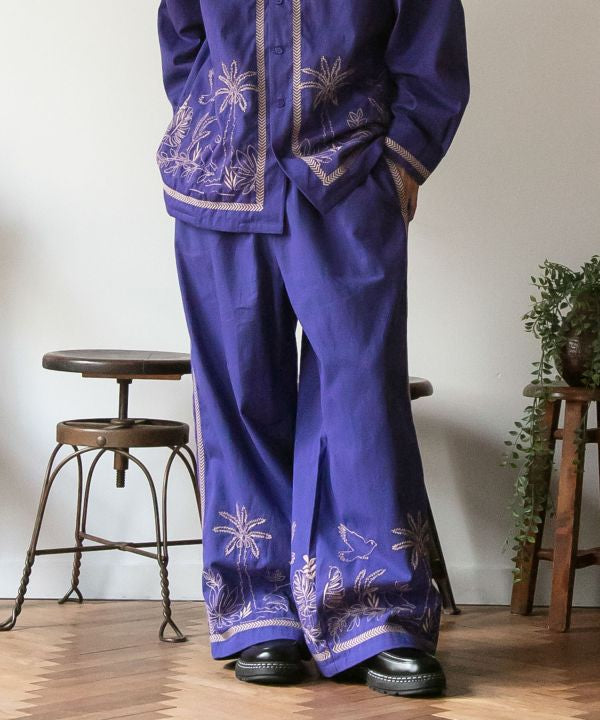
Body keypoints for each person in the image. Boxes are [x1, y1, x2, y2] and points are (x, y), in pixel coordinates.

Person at [156, 0, 469, 697]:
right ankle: (259, 607)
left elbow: (431, 41)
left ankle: (375, 613)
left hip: (347, 174)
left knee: (360, 398)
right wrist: (217, 123)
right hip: (221, 179)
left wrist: (402, 162)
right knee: (240, 394)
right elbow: (181, 34)